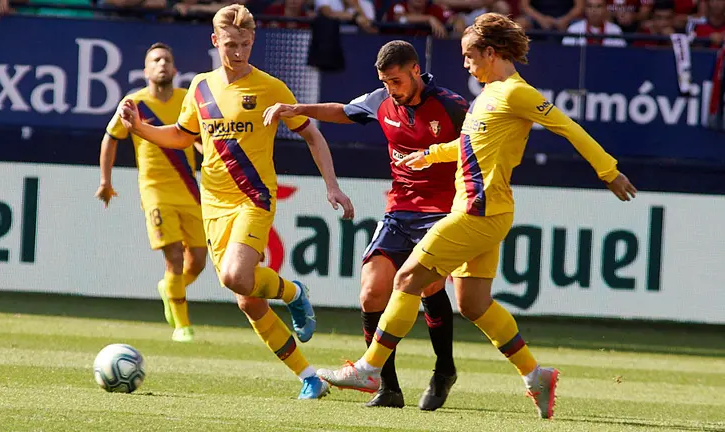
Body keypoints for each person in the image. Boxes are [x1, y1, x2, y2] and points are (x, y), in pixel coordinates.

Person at [317, 12, 637, 419]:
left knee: (407, 278)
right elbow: (468, 147)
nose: (465, 64)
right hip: (484, 211)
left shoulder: (516, 93)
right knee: (473, 303)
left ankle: (369, 368)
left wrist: (608, 170)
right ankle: (535, 375)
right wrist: (429, 154)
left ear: (491, 52)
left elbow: (568, 128)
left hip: (477, 211)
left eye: (470, 56)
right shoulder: (488, 95)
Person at [116, 4, 355, 399]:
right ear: (216, 41)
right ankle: (309, 377)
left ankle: (294, 293)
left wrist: (332, 185)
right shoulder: (201, 87)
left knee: (234, 277)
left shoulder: (270, 88)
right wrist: (140, 127)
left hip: (253, 198)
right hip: (212, 203)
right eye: (231, 44)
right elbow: (181, 135)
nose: (239, 52)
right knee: (247, 301)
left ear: (253, 41)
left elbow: (313, 134)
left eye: (245, 44)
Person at [263, 40, 466, 411]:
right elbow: (342, 111)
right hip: (400, 210)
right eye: (386, 82)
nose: (391, 89)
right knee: (372, 292)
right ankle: (387, 387)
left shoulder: (452, 107)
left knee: (429, 285)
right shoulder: (382, 101)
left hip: (443, 211)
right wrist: (296, 108)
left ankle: (444, 370)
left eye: (397, 81)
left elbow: (480, 146)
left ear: (415, 71)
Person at [97, 43, 206, 343]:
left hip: (188, 188)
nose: (161, 64)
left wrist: (206, 152)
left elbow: (195, 136)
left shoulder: (188, 100)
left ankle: (170, 288)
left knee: (197, 259)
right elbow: (111, 139)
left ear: (174, 70)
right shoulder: (133, 103)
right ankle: (182, 326)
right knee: (174, 257)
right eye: (155, 60)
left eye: (167, 60)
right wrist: (106, 181)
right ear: (146, 71)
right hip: (155, 190)